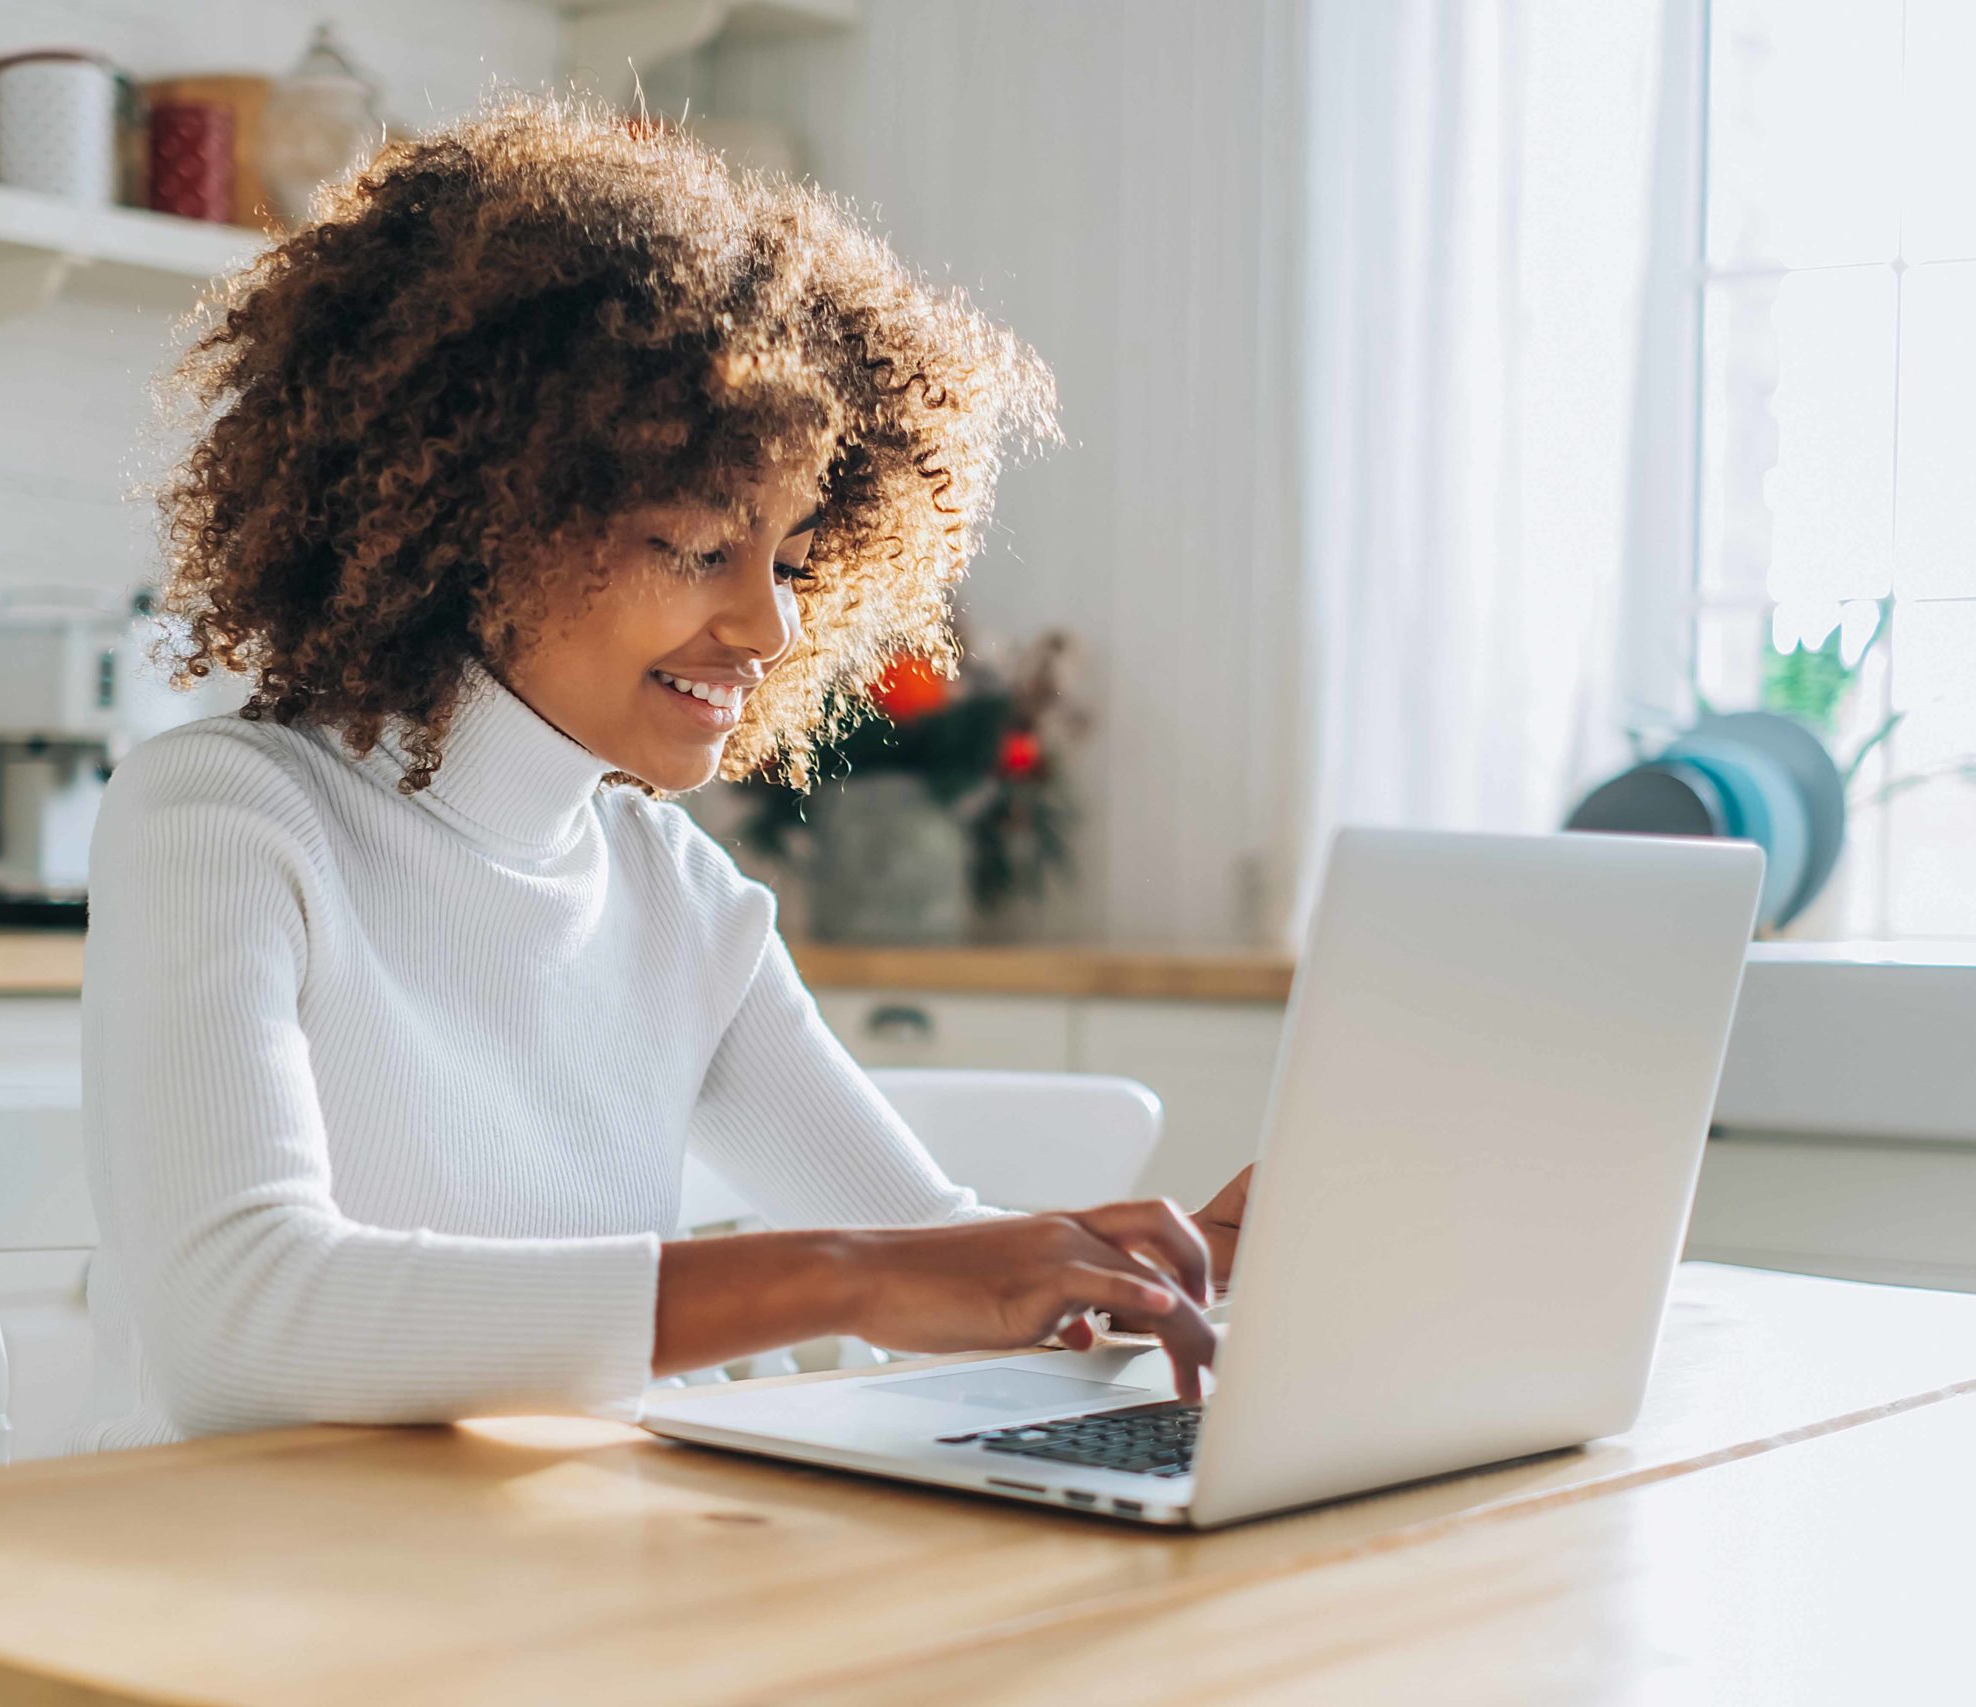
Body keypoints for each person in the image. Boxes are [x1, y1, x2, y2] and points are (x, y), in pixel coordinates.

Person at [67, 91, 1252, 1452]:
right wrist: (849, 1277)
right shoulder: (227, 817)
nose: (772, 627)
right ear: (479, 525)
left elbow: (928, 1249)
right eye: (700, 549)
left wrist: (1159, 1269)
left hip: (539, 1597)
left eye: (795, 561)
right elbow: (241, 1325)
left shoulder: (674, 893)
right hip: (226, 1613)